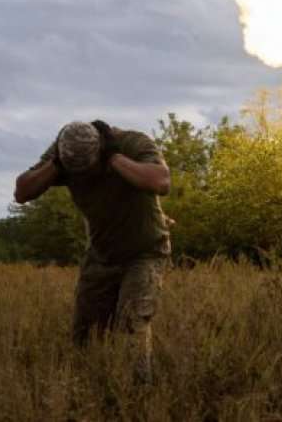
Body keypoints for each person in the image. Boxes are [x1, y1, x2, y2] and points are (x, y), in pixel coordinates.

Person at [14, 120, 171, 384]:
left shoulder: (132, 143)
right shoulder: (63, 152)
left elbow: (161, 181)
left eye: (89, 168)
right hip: (101, 256)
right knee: (86, 336)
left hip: (145, 251)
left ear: (100, 150)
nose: (84, 177)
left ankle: (138, 400)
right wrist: (56, 166)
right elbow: (22, 192)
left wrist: (114, 159)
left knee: (132, 325)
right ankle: (90, 395)